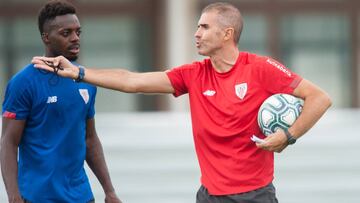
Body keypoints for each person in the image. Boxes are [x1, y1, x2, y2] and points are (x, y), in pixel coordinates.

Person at [32, 2, 332, 203]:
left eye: (203, 27)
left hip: (257, 196)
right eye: (197, 27)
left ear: (226, 34)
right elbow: (132, 81)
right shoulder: (193, 74)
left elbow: (320, 98)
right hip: (209, 196)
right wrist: (78, 73)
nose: (196, 33)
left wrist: (288, 135)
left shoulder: (261, 68)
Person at [1, 1, 122, 202]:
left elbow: (89, 139)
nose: (75, 38)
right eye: (66, 33)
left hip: (81, 196)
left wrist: (109, 191)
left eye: (78, 32)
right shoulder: (23, 83)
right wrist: (14, 196)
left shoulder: (86, 81)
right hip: (37, 197)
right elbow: (8, 142)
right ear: (46, 38)